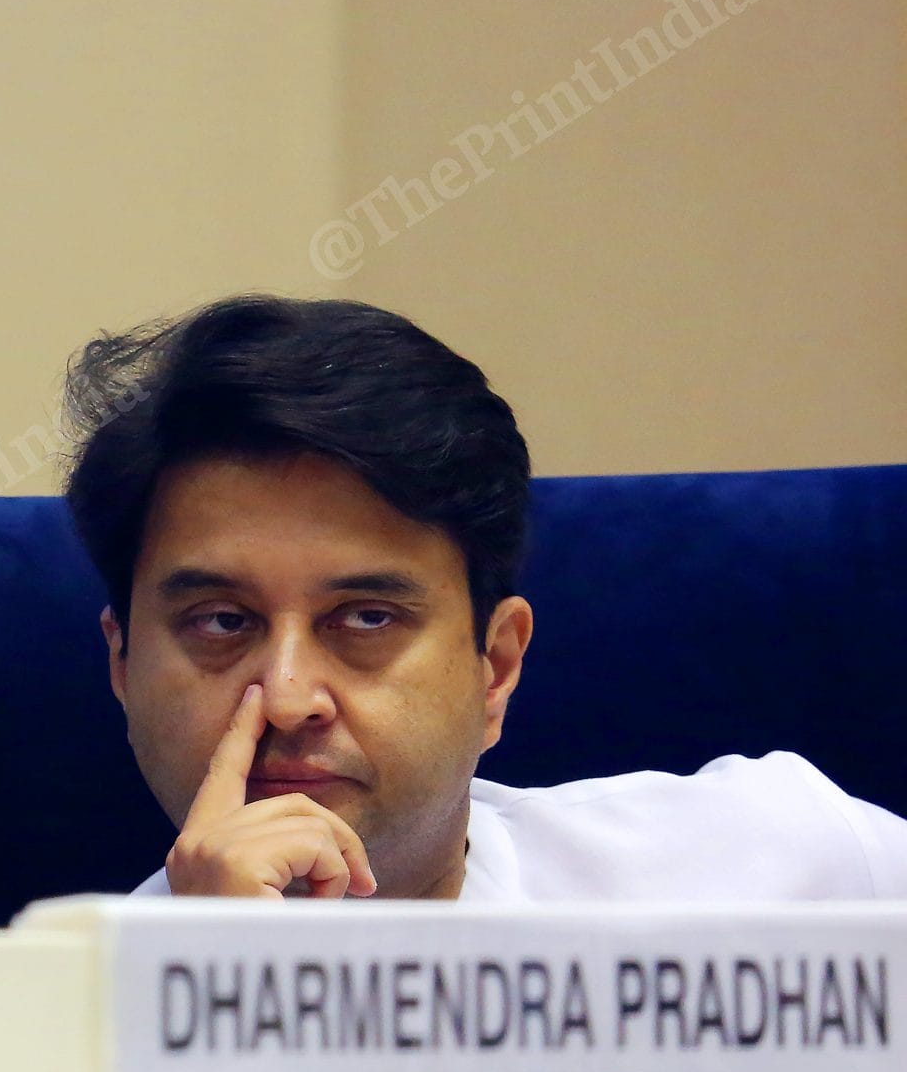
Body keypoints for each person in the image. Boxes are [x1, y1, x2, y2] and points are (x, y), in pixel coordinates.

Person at [64, 293, 907, 902]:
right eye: (222, 621)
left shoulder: (782, 868)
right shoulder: (35, 1047)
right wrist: (211, 997)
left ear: (495, 668)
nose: (287, 696)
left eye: (365, 617)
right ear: (122, 667)